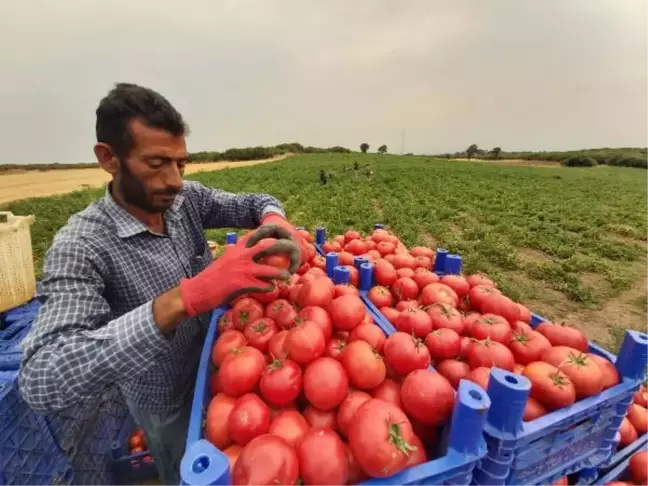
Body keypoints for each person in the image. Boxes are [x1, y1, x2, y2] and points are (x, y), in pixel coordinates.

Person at [18, 83, 308, 485]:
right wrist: (184, 298)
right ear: (109, 158)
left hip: (222, 362)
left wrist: (275, 219)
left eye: (181, 164)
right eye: (156, 163)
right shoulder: (81, 245)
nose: (174, 180)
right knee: (185, 472)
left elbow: (254, 202)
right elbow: (41, 378)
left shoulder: (184, 199)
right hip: (165, 398)